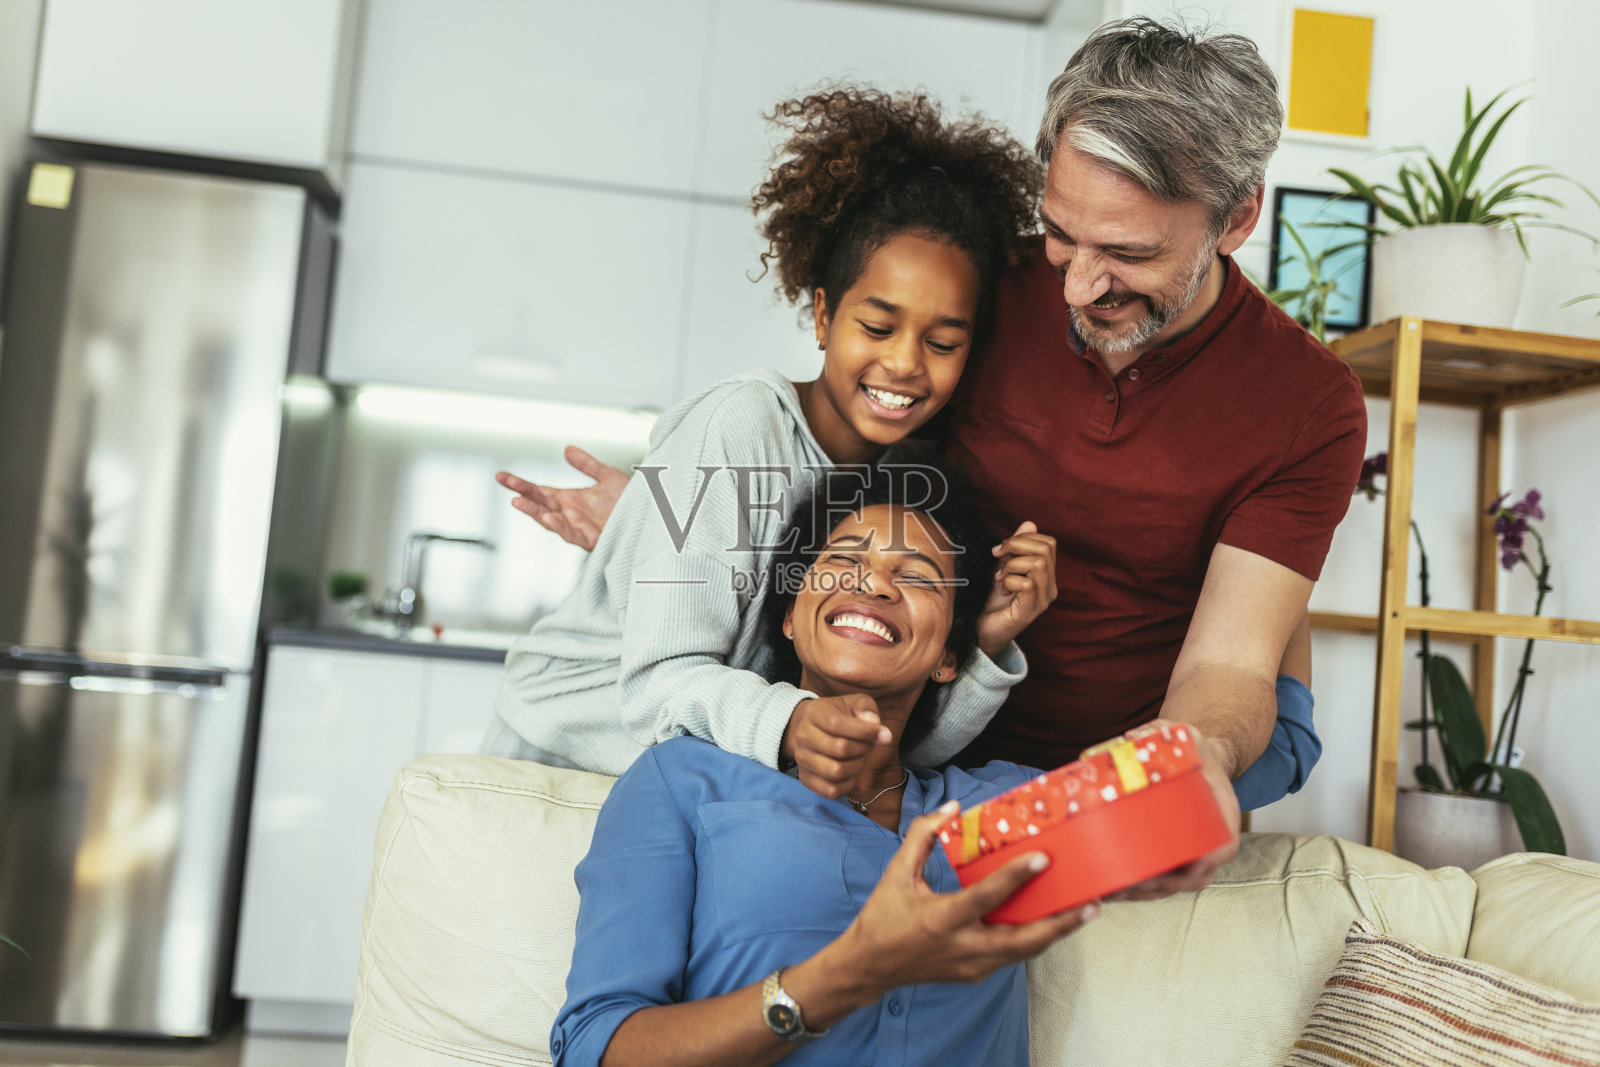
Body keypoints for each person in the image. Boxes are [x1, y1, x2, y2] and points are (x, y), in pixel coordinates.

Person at [500, 18, 1362, 895]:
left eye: (1129, 253)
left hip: (1098, 761)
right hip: (927, 740)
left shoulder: (1309, 402)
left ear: (1238, 215)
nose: (1074, 286)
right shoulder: (986, 289)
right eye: (1062, 232)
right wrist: (681, 520)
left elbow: (1229, 665)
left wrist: (1193, 753)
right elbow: (848, 461)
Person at [483, 88, 1055, 801]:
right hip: (558, 764)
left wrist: (985, 645)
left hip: (693, 777)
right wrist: (793, 721)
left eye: (941, 342)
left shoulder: (898, 485)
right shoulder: (738, 426)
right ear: (822, 314)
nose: (906, 363)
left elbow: (880, 747)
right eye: (877, 328)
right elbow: (659, 685)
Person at [552, 470, 1097, 1067]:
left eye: (917, 576)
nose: (875, 583)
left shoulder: (1000, 806)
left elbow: (1188, 800)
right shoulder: (685, 782)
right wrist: (847, 973)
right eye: (843, 559)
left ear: (948, 660)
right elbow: (596, 1050)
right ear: (790, 616)